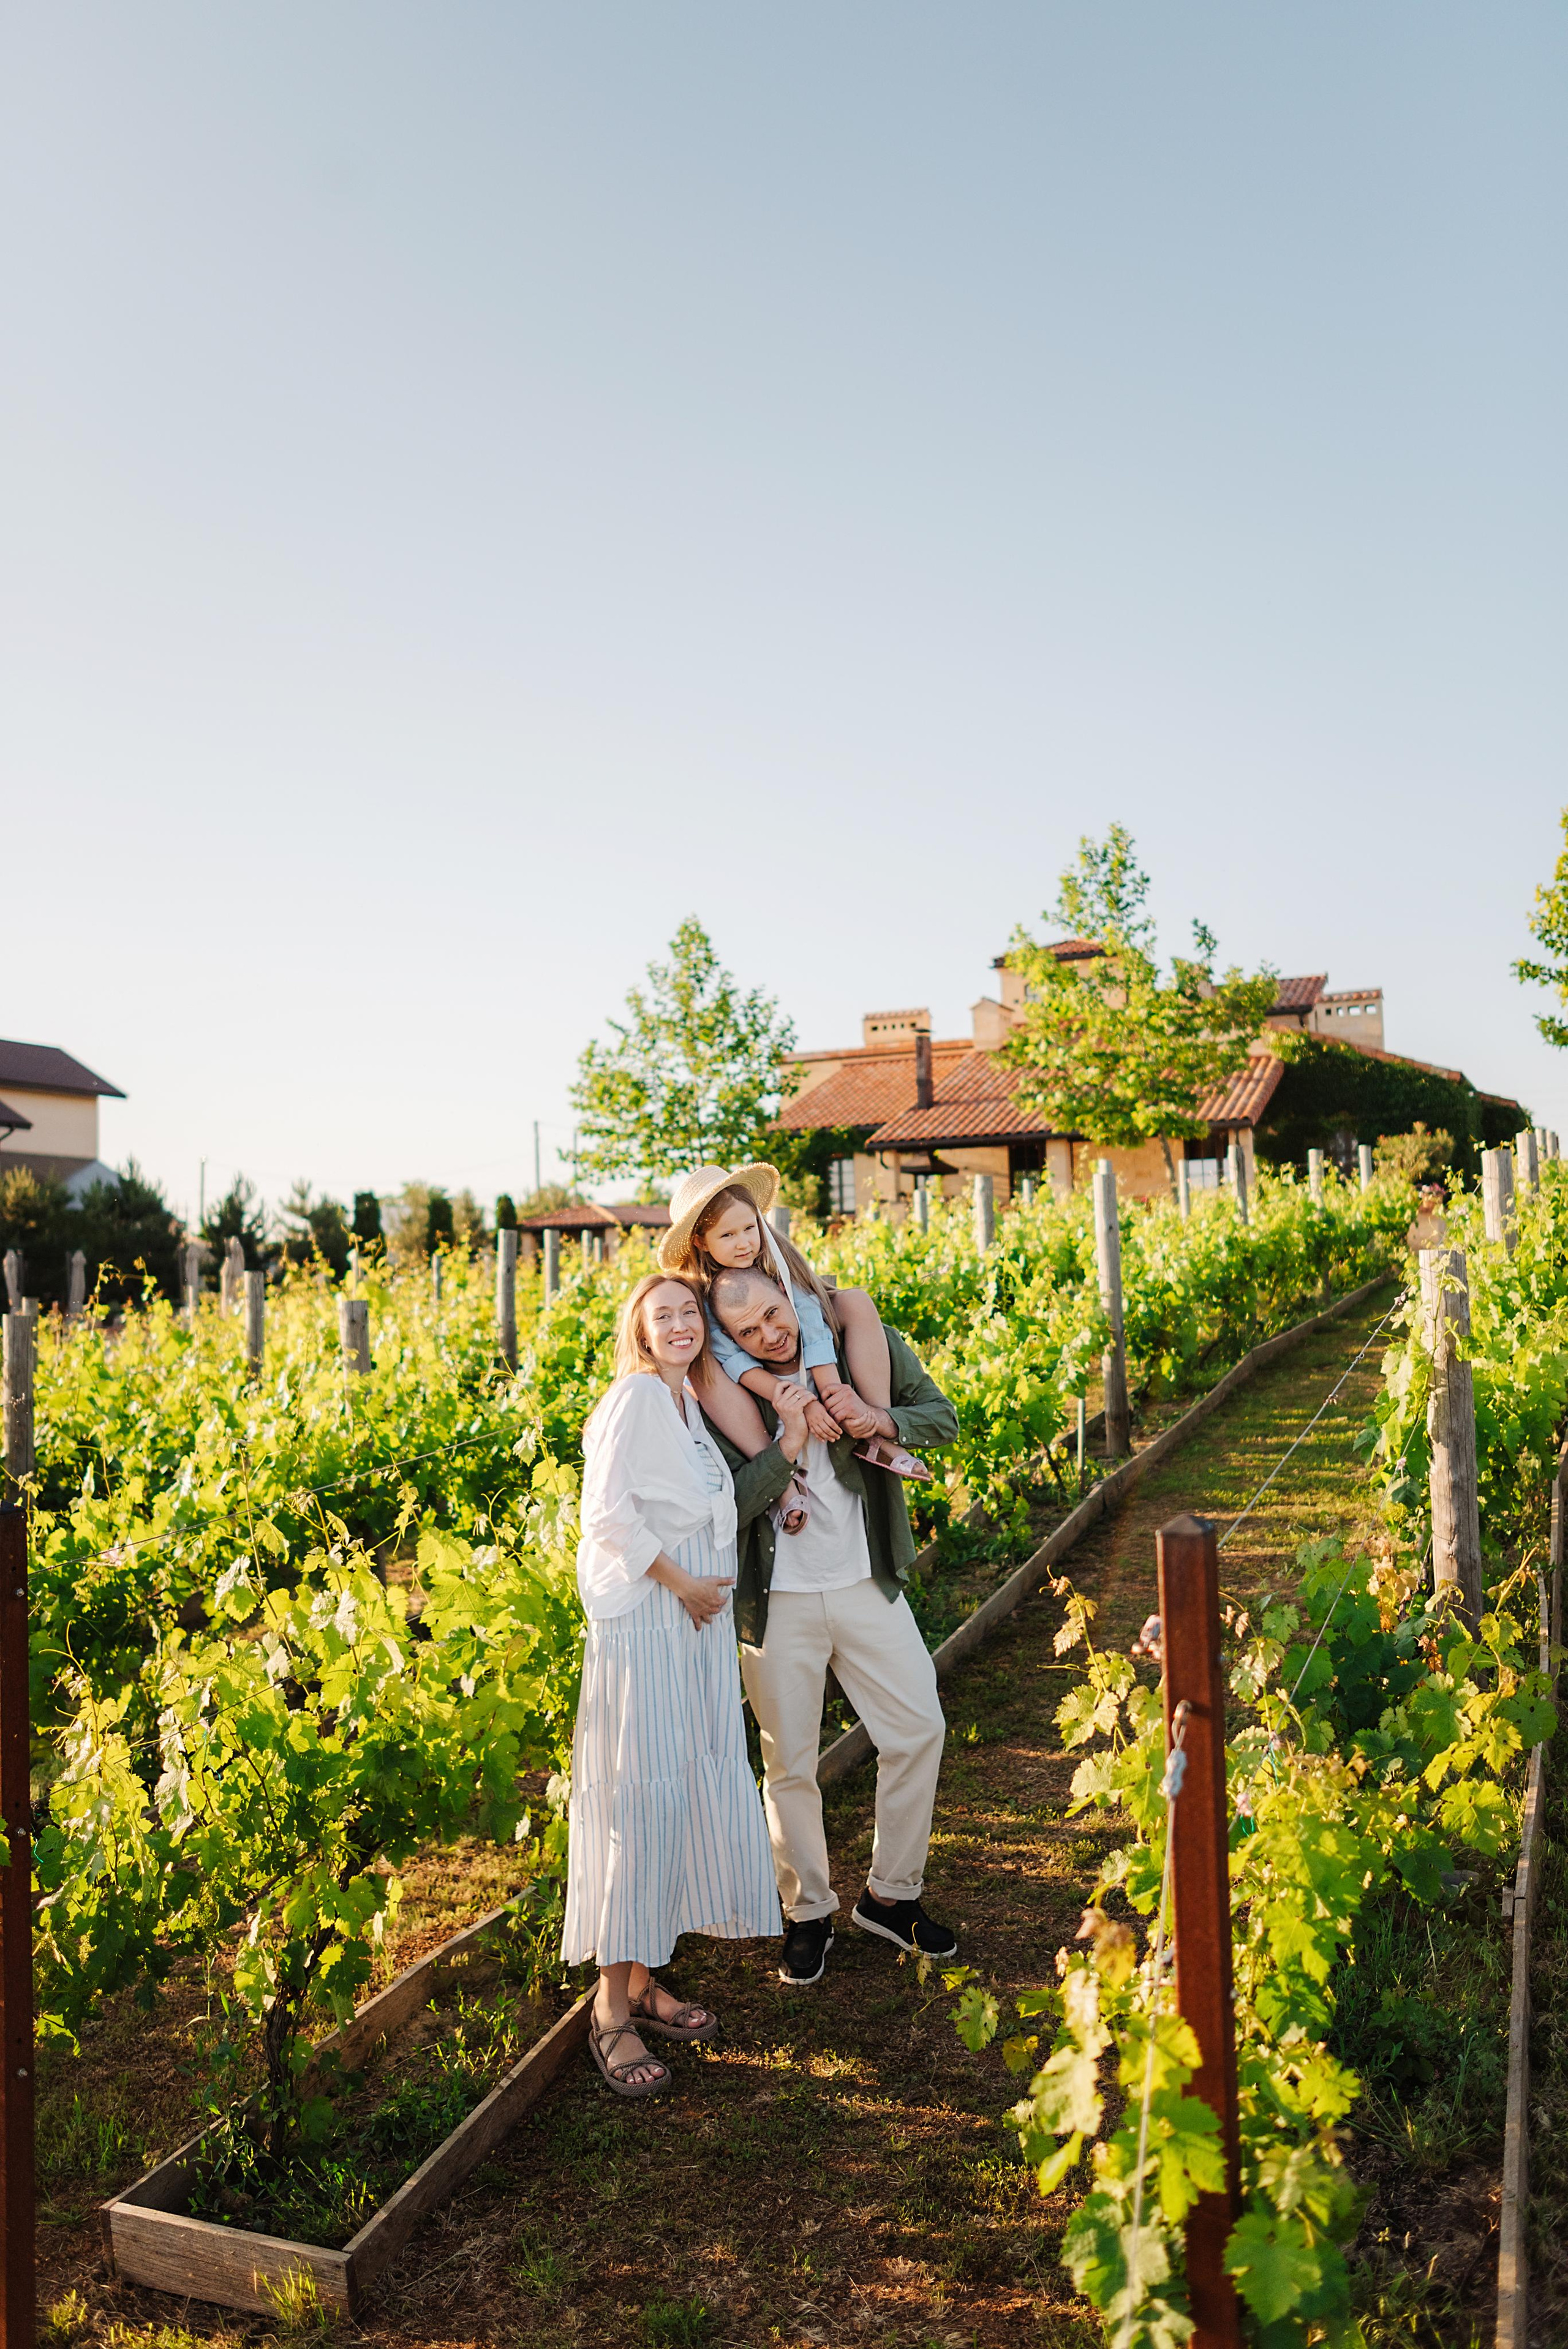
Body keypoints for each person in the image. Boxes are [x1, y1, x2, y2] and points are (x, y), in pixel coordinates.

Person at [564, 1270, 809, 2096]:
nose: (678, 1323)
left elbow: (709, 1508)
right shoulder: (635, 1398)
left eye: (687, 1313)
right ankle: (609, 2010)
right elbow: (606, 1516)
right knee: (638, 1803)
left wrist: (786, 1452)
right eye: (660, 1314)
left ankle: (642, 1980)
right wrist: (684, 1585)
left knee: (670, 1796)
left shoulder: (685, 1406)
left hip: (690, 1633)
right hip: (649, 1629)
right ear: (638, 1329)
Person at [699, 1261, 960, 1989]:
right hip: (777, 1599)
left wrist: (877, 1418)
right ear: (729, 1340)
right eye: (746, 1331)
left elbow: (941, 1418)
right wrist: (784, 1442)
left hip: (864, 1583)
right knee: (789, 1764)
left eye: (773, 1314)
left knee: (918, 1729)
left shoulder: (859, 1349)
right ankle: (807, 1910)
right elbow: (727, 1509)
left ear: (791, 1296)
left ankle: (891, 1896)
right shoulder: (724, 1395)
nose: (768, 1335)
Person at [659, 1164, 931, 1517]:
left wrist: (831, 1393)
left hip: (812, 1354)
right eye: (727, 1235)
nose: (744, 1243)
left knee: (857, 1300)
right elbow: (735, 1362)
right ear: (701, 1242)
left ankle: (875, 1434)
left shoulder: (777, 1263)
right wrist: (806, 1405)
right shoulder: (700, 1294)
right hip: (752, 1379)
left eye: (750, 1228)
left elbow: (812, 1323)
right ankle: (778, 1473)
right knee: (703, 1367)